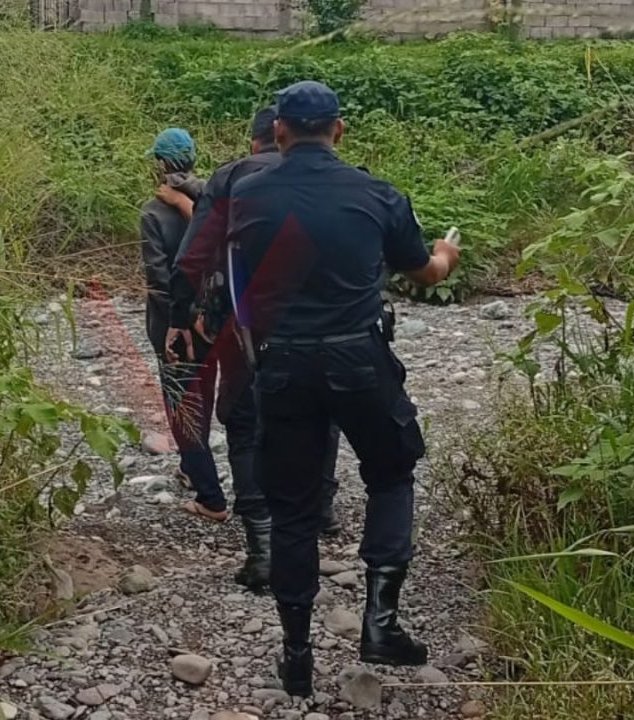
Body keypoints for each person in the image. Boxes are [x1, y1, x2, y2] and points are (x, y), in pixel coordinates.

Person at [227, 81, 461, 695]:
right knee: (391, 472)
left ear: (277, 131)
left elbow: (244, 289)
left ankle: (296, 653)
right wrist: (445, 252)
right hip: (359, 360)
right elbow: (425, 272)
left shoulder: (246, 198)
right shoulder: (377, 194)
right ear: (340, 129)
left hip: (282, 368)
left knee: (294, 508)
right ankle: (380, 623)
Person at [159, 107, 345, 593]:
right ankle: (320, 510)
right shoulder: (341, 180)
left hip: (245, 328)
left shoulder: (233, 179)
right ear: (334, 132)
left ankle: (262, 550)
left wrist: (183, 317)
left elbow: (192, 258)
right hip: (321, 327)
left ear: (263, 136)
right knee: (319, 416)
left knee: (243, 424)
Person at [140, 128, 228, 522]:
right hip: (218, 320)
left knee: (182, 404)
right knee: (205, 391)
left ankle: (210, 496)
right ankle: (193, 468)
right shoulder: (217, 198)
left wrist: (180, 317)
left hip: (174, 322)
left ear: (160, 164)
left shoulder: (152, 213)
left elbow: (159, 279)